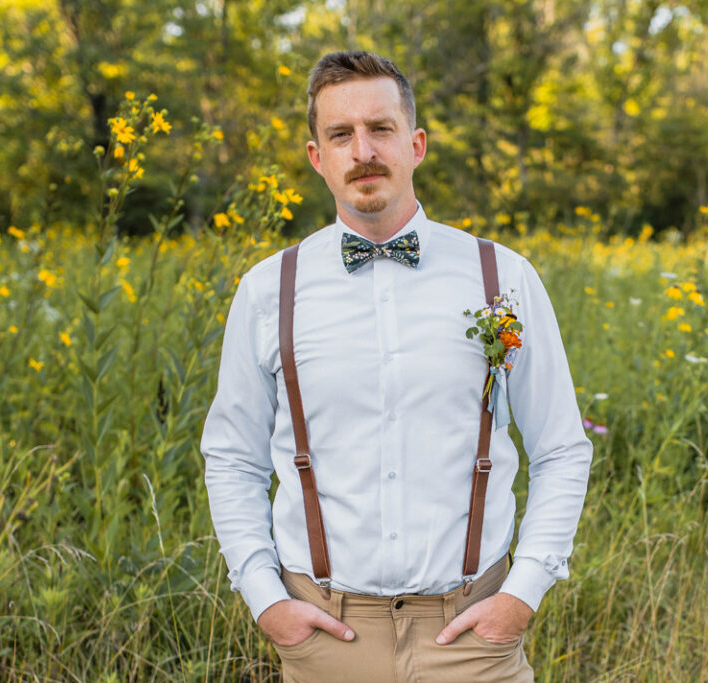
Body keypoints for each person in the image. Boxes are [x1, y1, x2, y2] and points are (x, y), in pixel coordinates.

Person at [200, 51, 592, 682]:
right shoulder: (267, 290)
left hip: (473, 635)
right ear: (316, 156)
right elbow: (232, 456)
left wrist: (522, 595)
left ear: (415, 144)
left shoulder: (502, 277)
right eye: (341, 135)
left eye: (380, 129)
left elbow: (561, 449)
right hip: (325, 635)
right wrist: (266, 599)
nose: (363, 151)